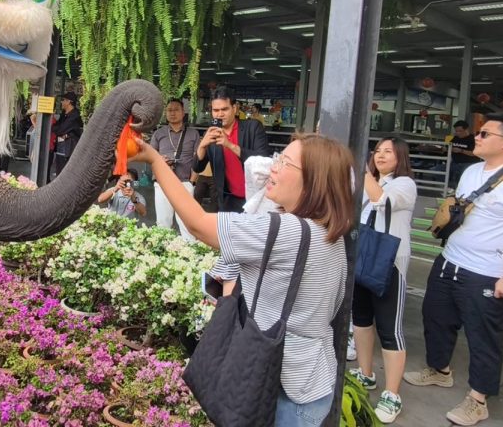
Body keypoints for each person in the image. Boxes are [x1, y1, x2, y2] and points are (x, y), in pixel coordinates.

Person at [136, 133, 351, 426]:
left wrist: (154, 160)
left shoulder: (287, 232)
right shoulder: (326, 233)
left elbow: (198, 225)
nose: (272, 168)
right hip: (309, 381)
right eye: (277, 158)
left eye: (285, 163)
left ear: (314, 180)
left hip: (281, 388)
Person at [405, 113, 503, 426]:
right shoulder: (471, 171)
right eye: (478, 134)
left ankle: (478, 399)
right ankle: (439, 370)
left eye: (484, 134)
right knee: (436, 317)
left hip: (486, 271)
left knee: (483, 337)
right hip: (450, 260)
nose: (475, 138)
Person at [348, 137, 417, 424]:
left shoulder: (404, 184)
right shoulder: (371, 181)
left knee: (390, 329)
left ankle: (392, 393)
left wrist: (363, 170)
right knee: (361, 321)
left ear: (401, 157)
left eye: (388, 151)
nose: (380, 155)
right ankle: (366, 374)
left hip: (389, 263)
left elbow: (381, 200)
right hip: (364, 259)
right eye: (377, 151)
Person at [193, 87, 271, 212]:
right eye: (216, 110)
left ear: (234, 108)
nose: (219, 114)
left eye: (224, 109)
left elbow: (264, 159)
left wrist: (230, 145)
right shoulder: (213, 133)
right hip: (228, 200)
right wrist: (202, 145)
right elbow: (197, 167)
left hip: (256, 199)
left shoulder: (253, 127)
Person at [149, 99, 200, 238]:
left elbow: (198, 159)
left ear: (183, 113)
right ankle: (162, 253)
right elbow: (150, 157)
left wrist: (192, 182)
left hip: (184, 182)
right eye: (169, 110)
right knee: (163, 222)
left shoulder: (193, 134)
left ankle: (189, 254)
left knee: (187, 222)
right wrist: (160, 161)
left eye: (176, 109)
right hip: (163, 183)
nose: (172, 113)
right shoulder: (158, 134)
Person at [52, 92, 82, 179]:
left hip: (69, 150)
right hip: (61, 148)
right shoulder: (64, 114)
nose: (62, 102)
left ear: (69, 102)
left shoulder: (75, 116)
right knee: (59, 171)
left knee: (64, 175)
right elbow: (56, 128)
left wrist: (63, 133)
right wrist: (63, 133)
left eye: (63, 100)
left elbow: (60, 130)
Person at [448, 120, 479, 185]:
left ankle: (456, 188)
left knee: (461, 174)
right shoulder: (455, 138)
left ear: (466, 129)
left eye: (460, 131)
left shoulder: (473, 139)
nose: (458, 133)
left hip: (469, 163)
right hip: (455, 163)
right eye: (456, 131)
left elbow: (475, 153)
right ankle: (450, 187)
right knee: (437, 169)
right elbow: (448, 147)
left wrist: (461, 151)